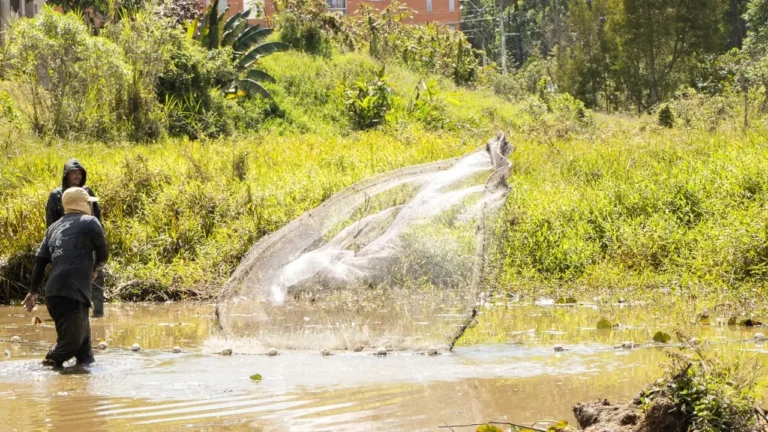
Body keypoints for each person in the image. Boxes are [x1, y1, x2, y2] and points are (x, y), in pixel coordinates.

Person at [24, 187, 109, 368]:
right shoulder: (90, 222)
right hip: (72, 292)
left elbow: (40, 261)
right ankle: (44, 368)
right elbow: (103, 253)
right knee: (69, 345)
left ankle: (83, 392)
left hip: (54, 293)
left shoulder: (53, 228)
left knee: (85, 355)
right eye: (89, 203)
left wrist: (33, 291)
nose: (91, 206)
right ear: (83, 204)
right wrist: (95, 269)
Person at [46, 159, 105, 317]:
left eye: (80, 173)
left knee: (97, 276)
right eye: (74, 172)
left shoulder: (87, 193)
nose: (77, 175)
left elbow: (96, 217)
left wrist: (98, 240)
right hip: (66, 245)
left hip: (87, 241)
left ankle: (98, 315)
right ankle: (74, 315)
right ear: (66, 175)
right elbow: (51, 223)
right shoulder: (56, 195)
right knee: (70, 278)